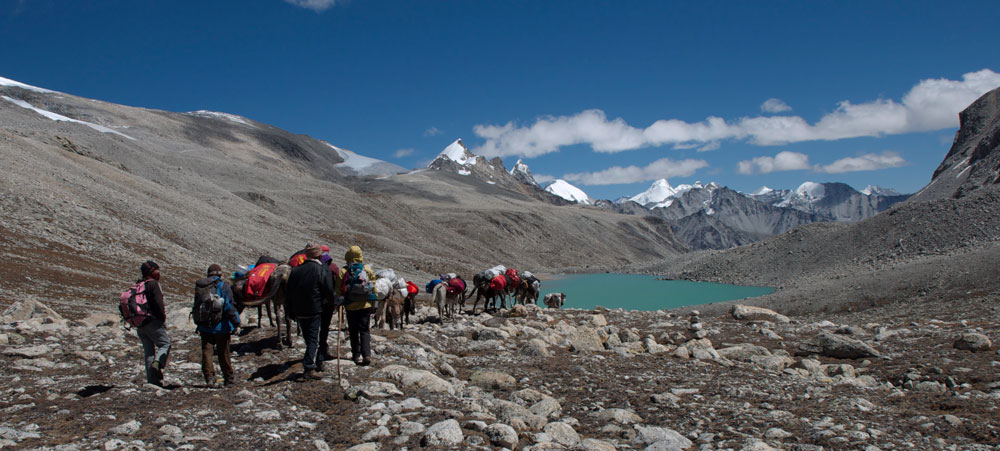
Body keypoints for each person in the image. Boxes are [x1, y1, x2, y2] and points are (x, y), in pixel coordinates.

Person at [285, 243, 335, 379]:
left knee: (308, 338)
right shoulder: (320, 269)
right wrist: (335, 301)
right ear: (319, 255)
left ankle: (313, 360)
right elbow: (328, 290)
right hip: (314, 309)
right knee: (314, 339)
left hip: (298, 310)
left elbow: (288, 293)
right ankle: (309, 367)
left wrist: (289, 311)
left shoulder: (295, 271)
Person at [193, 264, 241, 387]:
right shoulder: (223, 286)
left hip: (204, 326)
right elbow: (229, 306)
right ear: (219, 273)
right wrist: (236, 322)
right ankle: (229, 378)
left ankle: (209, 378)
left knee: (206, 352)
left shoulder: (201, 286)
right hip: (221, 326)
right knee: (223, 352)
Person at [339, 245, 377, 366]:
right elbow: (373, 288)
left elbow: (339, 289)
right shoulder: (367, 270)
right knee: (365, 330)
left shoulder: (344, 271)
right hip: (365, 305)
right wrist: (373, 304)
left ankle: (356, 354)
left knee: (353, 330)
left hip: (350, 306)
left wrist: (340, 301)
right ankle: (367, 354)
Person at [136, 260, 170, 386]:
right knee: (165, 344)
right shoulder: (153, 284)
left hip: (140, 324)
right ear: (152, 272)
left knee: (148, 352)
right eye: (157, 270)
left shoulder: (139, 284)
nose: (158, 273)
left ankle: (152, 381)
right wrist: (162, 318)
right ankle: (158, 363)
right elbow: (158, 303)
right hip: (152, 321)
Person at [318, 247, 341, 361]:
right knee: (325, 326)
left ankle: (314, 349)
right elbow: (337, 285)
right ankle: (322, 348)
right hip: (328, 302)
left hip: (314, 301)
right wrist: (336, 300)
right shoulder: (333, 267)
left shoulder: (313, 266)